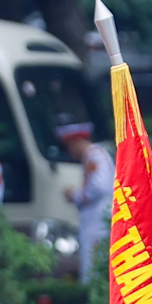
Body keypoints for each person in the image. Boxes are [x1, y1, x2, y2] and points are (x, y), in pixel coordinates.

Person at [59, 121, 114, 284]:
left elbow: (99, 186)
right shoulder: (94, 155)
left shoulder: (95, 155)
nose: (69, 151)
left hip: (97, 219)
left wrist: (75, 195)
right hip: (95, 217)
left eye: (69, 145)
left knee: (93, 262)